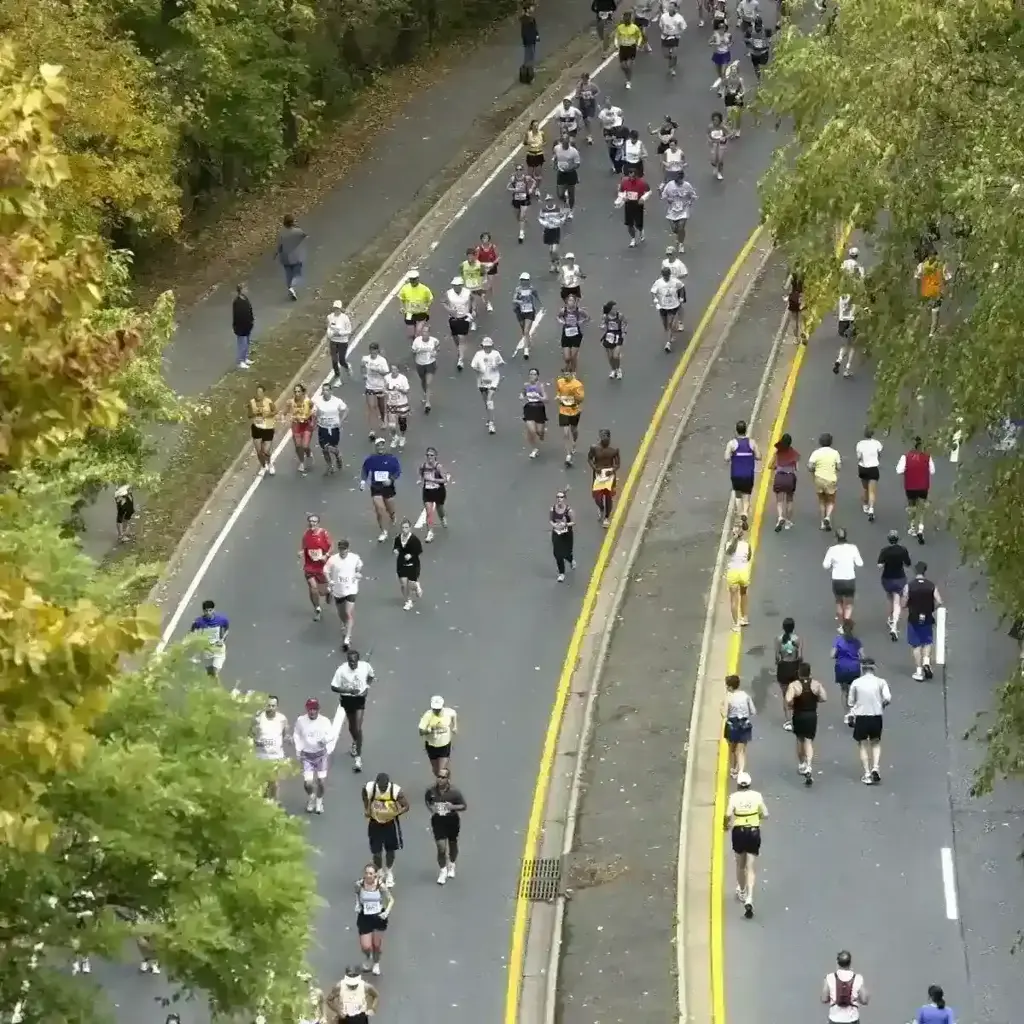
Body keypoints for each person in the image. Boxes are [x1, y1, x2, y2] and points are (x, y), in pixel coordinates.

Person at [723, 771, 766, 918]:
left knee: (740, 865)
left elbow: (728, 814)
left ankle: (741, 890)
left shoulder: (734, 797)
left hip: (739, 832)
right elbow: (765, 814)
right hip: (754, 832)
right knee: (751, 866)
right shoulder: (757, 796)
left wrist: (726, 825)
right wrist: (758, 818)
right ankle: (750, 897)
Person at [293, 697, 341, 814]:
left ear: (318, 709)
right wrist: (298, 750)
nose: (312, 711)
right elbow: (296, 735)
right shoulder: (301, 721)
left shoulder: (324, 721)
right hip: (307, 756)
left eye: (314, 709)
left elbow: (332, 735)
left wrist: (324, 740)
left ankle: (319, 801)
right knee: (307, 783)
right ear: (307, 709)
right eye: (310, 709)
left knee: (321, 782)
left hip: (321, 756)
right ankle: (312, 797)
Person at [331, 648, 375, 773]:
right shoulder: (341, 670)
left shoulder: (365, 666)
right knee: (352, 727)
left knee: (358, 727)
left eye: (354, 662)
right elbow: (333, 687)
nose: (352, 664)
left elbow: (371, 676)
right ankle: (355, 741)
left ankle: (358, 758)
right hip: (347, 699)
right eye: (350, 662)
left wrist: (367, 687)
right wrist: (348, 691)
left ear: (358, 660)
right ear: (347, 661)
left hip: (360, 699)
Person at [362, 772, 411, 887]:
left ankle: (389, 872)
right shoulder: (370, 788)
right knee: (377, 852)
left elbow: (406, 806)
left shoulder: (395, 790)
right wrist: (367, 808)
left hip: (390, 824)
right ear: (377, 783)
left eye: (384, 787)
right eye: (380, 787)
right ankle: (379, 873)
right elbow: (364, 795)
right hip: (375, 823)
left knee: (390, 850)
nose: (382, 789)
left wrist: (395, 813)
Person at [848, 657, 891, 784]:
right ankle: (875, 767)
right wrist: (882, 704)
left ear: (862, 668)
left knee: (862, 744)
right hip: (876, 716)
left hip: (862, 716)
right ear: (874, 668)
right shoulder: (881, 682)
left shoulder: (856, 682)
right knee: (875, 743)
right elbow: (888, 698)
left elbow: (850, 702)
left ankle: (867, 773)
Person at [425, 768, 467, 885]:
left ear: (448, 779)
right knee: (441, 847)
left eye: (443, 777)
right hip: (438, 821)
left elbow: (463, 806)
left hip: (452, 821)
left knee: (452, 844)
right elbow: (428, 801)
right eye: (439, 776)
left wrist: (452, 807)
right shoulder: (431, 791)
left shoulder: (455, 792)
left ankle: (452, 864)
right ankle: (443, 870)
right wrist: (431, 809)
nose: (440, 779)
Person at [786, 663, 826, 783]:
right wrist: (815, 699)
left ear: (799, 673)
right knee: (808, 740)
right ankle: (809, 764)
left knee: (799, 739)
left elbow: (788, 699)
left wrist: (792, 704)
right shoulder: (816, 684)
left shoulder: (794, 685)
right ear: (810, 673)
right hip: (811, 715)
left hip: (799, 714)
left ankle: (802, 763)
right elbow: (824, 697)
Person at [902, 561, 943, 680]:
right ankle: (926, 661)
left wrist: (906, 605)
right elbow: (939, 601)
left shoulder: (909, 586)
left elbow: (904, 602)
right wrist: (931, 608)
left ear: (915, 571)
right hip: (927, 617)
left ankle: (919, 672)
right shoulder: (931, 585)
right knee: (927, 641)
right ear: (925, 571)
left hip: (913, 618)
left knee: (916, 645)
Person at [352, 865, 393, 976]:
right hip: (364, 917)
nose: (368, 876)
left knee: (376, 945)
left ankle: (376, 963)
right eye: (366, 873)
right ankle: (367, 956)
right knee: (366, 946)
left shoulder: (380, 885)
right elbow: (356, 894)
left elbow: (391, 900)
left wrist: (386, 912)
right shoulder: (359, 885)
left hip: (378, 917)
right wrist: (357, 905)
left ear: (375, 874)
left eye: (371, 873)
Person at [324, 538, 363, 651]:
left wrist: (357, 572)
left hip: (351, 589)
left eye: (344, 549)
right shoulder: (333, 559)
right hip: (338, 590)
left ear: (348, 549)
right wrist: (329, 580)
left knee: (348, 612)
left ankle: (347, 637)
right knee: (342, 614)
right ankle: (344, 623)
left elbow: (359, 566)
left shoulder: (354, 558)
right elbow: (325, 570)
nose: (342, 551)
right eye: (341, 549)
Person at [360, 437, 401, 543]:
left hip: (388, 488)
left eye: (382, 445)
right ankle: (384, 532)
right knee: (380, 510)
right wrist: (363, 482)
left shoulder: (391, 458)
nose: (380, 447)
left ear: (385, 446)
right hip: (376, 488)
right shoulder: (371, 459)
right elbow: (365, 470)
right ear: (375, 447)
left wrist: (391, 479)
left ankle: (392, 515)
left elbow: (397, 471)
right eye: (378, 445)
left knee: (390, 509)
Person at [896, 436, 935, 543]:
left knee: (912, 506)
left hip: (910, 486)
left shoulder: (906, 457)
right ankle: (920, 529)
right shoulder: (927, 457)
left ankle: (913, 527)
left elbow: (899, 470)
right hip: (923, 486)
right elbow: (932, 471)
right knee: (921, 508)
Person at [823, 527, 863, 625]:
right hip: (849, 579)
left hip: (837, 580)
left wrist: (833, 564)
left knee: (839, 602)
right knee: (849, 604)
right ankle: (847, 621)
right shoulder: (853, 548)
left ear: (836, 538)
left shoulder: (832, 550)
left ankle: (841, 624)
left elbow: (825, 565)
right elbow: (860, 563)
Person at [252, 695, 289, 800]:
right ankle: (262, 803)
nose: (271, 708)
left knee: (275, 784)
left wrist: (288, 739)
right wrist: (256, 741)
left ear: (277, 706)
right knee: (262, 784)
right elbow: (250, 733)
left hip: (276, 756)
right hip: (261, 756)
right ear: (265, 705)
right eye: (269, 705)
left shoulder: (282, 719)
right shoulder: (258, 718)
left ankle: (274, 804)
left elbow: (285, 734)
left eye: (273, 706)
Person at [725, 420, 760, 527]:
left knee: (738, 495)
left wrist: (733, 456)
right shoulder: (752, 443)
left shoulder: (732, 443)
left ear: (736, 430)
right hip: (748, 474)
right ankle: (745, 512)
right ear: (746, 430)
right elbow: (759, 456)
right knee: (747, 495)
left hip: (736, 474)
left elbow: (726, 458)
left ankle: (740, 516)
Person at [878, 530, 912, 640]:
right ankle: (894, 625)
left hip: (887, 578)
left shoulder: (885, 551)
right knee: (897, 601)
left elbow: (879, 565)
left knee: (890, 599)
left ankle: (890, 618)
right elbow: (908, 563)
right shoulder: (902, 550)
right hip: (899, 578)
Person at [299, 512, 332, 621]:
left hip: (322, 567)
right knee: (313, 588)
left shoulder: (323, 533)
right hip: (310, 566)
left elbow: (331, 546)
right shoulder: (306, 534)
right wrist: (301, 553)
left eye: (314, 521)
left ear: (318, 523)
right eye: (310, 521)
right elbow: (304, 548)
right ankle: (317, 608)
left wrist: (325, 555)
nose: (311, 523)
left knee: (322, 592)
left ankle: (328, 592)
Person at [470, 336, 506, 435]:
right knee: (486, 401)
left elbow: (502, 363)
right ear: (482, 346)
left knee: (490, 399)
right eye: (485, 346)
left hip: (493, 379)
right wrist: (479, 370)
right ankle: (490, 417)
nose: (487, 348)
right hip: (481, 380)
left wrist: (496, 365)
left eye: (489, 346)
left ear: (492, 346)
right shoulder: (478, 354)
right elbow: (473, 366)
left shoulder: (496, 354)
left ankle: (491, 423)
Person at [822, 950, 869, 1023]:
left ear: (837, 963)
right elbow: (865, 1000)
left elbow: (824, 999)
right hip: (852, 1019)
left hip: (835, 1019)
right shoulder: (858, 978)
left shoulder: (829, 977)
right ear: (850, 963)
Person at [722, 674, 755, 778]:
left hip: (732, 725)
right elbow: (753, 711)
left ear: (730, 687)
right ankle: (739, 770)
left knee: (733, 749)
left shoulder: (729, 697)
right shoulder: (745, 695)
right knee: (740, 750)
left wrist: (720, 707)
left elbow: (724, 714)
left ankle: (736, 769)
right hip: (744, 724)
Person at [313, 381, 348, 475]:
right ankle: (330, 466)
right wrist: (314, 419)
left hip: (334, 428)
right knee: (324, 448)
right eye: (323, 390)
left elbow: (345, 410)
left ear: (331, 391)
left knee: (332, 447)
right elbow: (314, 412)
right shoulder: (318, 400)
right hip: (323, 427)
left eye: (327, 390)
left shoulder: (337, 401)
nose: (325, 392)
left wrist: (341, 421)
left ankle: (337, 455)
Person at [808, 432, 841, 530]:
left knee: (822, 501)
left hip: (819, 479)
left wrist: (814, 470)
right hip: (831, 479)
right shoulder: (835, 453)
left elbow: (810, 466)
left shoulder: (816, 453)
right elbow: (839, 467)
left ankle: (822, 523)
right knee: (831, 500)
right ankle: (828, 517)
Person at [419, 694, 458, 777]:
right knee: (436, 771)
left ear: (442, 706)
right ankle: (441, 780)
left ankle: (444, 784)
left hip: (445, 745)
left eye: (438, 709)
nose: (436, 711)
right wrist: (427, 731)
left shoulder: (449, 712)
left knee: (442, 771)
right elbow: (420, 732)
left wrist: (455, 726)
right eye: (435, 709)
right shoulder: (427, 715)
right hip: (431, 746)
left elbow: (454, 715)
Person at [588, 429, 620, 527]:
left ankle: (606, 517)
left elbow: (617, 464)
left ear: (609, 437)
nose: (604, 439)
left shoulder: (614, 449)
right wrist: (595, 468)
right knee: (597, 498)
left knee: (608, 497)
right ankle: (601, 507)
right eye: (602, 437)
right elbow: (589, 459)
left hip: (609, 476)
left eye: (605, 437)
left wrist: (612, 471)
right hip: (598, 475)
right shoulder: (594, 448)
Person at [774, 616, 802, 728]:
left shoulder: (779, 639)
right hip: (794, 668)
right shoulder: (797, 639)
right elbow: (800, 657)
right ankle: (796, 716)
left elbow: (777, 657)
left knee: (785, 695)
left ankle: (787, 720)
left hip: (783, 668)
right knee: (795, 693)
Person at [831, 620, 863, 719]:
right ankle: (854, 709)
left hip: (842, 667)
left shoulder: (838, 640)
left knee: (844, 691)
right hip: (854, 668)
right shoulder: (856, 641)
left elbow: (832, 655)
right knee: (854, 689)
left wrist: (838, 655)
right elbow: (862, 655)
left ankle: (847, 712)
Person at [189, 599, 229, 678]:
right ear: (203, 611)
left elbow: (227, 630)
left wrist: (222, 640)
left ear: (214, 610)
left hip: (218, 649)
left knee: (215, 673)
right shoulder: (198, 622)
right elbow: (192, 633)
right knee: (205, 673)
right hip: (206, 650)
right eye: (206, 611)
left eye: (210, 610)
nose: (208, 613)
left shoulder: (222, 620)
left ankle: (213, 677)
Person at [418, 446, 449, 542]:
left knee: (439, 508)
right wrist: (421, 480)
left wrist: (434, 480)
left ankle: (443, 518)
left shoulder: (438, 467)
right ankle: (430, 533)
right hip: (427, 491)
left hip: (438, 491)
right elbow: (421, 473)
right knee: (429, 512)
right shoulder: (423, 466)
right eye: (427, 455)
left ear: (435, 456)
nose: (429, 457)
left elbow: (444, 479)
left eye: (431, 455)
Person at [555, 366, 585, 465]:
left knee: (574, 430)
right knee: (565, 433)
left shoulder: (577, 384)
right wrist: (558, 396)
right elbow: (559, 391)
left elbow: (581, 399)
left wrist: (573, 395)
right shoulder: (560, 382)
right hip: (563, 410)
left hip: (574, 410)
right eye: (564, 374)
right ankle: (568, 455)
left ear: (572, 374)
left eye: (567, 374)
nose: (566, 376)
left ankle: (574, 443)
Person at [770, 432, 799, 531]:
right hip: (790, 477)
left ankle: (780, 517)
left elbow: (771, 465)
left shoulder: (777, 452)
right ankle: (788, 522)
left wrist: (777, 467)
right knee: (789, 500)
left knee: (779, 501)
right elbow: (796, 468)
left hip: (779, 477)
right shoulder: (794, 453)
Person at [725, 524, 751, 631]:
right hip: (744, 572)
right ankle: (744, 618)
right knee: (744, 594)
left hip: (733, 573)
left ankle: (736, 624)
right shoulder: (747, 545)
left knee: (733, 599)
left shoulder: (728, 545)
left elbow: (729, 552)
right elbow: (749, 557)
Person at [394, 518, 423, 611]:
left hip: (413, 564)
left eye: (406, 527)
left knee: (411, 584)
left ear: (410, 528)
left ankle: (416, 586)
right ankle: (408, 601)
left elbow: (419, 550)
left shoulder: (414, 539)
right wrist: (396, 550)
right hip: (401, 563)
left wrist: (411, 555)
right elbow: (396, 546)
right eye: (402, 527)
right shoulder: (398, 538)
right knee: (403, 584)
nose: (404, 529)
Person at [248, 383, 277, 477]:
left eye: (260, 392)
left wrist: (266, 415)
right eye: (257, 392)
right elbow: (249, 415)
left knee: (266, 451)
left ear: (264, 393)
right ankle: (263, 466)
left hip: (268, 427)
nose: (258, 394)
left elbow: (275, 411)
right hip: (256, 428)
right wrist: (255, 415)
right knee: (259, 451)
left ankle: (270, 464)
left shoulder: (268, 401)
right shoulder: (252, 402)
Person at [276, 214, 307, 300]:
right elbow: (304, 236)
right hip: (296, 258)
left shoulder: (282, 233)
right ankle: (292, 288)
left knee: (288, 275)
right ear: (293, 222)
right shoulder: (298, 231)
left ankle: (290, 290)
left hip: (285, 258)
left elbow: (279, 246)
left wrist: (276, 254)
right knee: (297, 274)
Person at [854, 426, 883, 521]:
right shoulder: (877, 443)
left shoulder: (860, 444)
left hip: (863, 468)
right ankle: (871, 509)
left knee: (865, 488)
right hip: (873, 468)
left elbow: (859, 457)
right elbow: (879, 453)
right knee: (872, 491)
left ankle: (865, 504)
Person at [397, 268, 433, 340]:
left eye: (414, 279)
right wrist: (401, 307)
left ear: (418, 279)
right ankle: (415, 342)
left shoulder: (424, 289)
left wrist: (427, 306)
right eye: (411, 279)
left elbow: (430, 299)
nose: (412, 281)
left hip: (421, 313)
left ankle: (416, 345)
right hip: (409, 313)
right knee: (411, 333)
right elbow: (401, 298)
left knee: (418, 333)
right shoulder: (405, 288)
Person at [521, 367, 548, 458]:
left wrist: (539, 397)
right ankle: (534, 449)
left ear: (537, 376)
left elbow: (546, 399)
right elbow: (523, 393)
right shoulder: (526, 385)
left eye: (534, 374)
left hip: (539, 408)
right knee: (532, 431)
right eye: (531, 374)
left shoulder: (540, 386)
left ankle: (542, 433)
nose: (532, 376)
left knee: (539, 431)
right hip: (529, 408)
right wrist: (521, 396)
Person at [325, 299, 353, 385]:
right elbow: (328, 328)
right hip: (333, 342)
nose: (336, 310)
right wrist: (329, 337)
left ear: (340, 308)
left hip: (343, 342)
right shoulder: (329, 317)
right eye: (335, 308)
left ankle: (347, 367)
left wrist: (340, 333)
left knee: (341, 360)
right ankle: (337, 376)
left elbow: (349, 331)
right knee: (334, 361)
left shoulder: (345, 318)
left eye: (338, 308)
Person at [550, 490, 576, 581]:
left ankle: (571, 560)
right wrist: (555, 525)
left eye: (561, 497)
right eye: (557, 497)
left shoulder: (569, 510)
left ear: (564, 499)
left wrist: (565, 525)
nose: (559, 499)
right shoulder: (552, 509)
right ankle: (561, 573)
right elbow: (551, 520)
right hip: (556, 533)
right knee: (557, 553)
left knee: (566, 553)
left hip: (566, 534)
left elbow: (573, 522)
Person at [614, 12, 643, 88]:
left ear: (630, 19)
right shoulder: (620, 27)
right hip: (623, 48)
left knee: (629, 65)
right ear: (623, 19)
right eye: (624, 18)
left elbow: (639, 36)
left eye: (627, 18)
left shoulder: (635, 28)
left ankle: (628, 81)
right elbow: (616, 37)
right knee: (623, 66)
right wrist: (616, 44)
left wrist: (638, 44)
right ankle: (628, 75)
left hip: (631, 48)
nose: (626, 20)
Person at [232, 283, 254, 369]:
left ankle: (245, 358)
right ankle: (240, 361)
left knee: (247, 343)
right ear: (241, 290)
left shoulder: (245, 299)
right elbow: (237, 316)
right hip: (241, 328)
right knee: (242, 345)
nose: (247, 290)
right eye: (245, 288)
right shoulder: (237, 302)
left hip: (247, 326)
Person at [520, 3, 540, 71]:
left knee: (531, 54)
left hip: (532, 39)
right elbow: (524, 32)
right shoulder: (525, 19)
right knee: (529, 55)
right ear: (527, 9)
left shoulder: (530, 18)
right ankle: (528, 69)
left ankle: (530, 69)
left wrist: (537, 35)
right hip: (529, 40)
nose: (533, 9)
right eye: (532, 7)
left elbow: (534, 28)